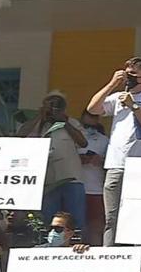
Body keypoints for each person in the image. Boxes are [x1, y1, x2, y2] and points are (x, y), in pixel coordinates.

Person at [86, 57, 141, 272]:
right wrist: (113, 84)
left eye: (133, 74)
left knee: (140, 216)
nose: (128, 76)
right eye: (126, 73)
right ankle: (108, 261)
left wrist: (134, 106)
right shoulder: (117, 97)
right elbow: (92, 108)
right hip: (115, 164)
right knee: (111, 217)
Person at [18, 91, 88, 231]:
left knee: (76, 219)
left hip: (71, 178)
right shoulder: (36, 124)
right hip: (47, 181)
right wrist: (40, 118)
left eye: (57, 107)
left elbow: (83, 143)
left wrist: (64, 122)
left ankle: (76, 245)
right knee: (48, 219)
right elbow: (20, 136)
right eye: (50, 106)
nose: (53, 110)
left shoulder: (72, 123)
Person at [78, 110, 109, 246]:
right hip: (75, 186)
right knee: (76, 227)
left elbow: (110, 165)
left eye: (93, 126)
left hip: (96, 189)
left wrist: (100, 160)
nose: (90, 129)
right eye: (86, 125)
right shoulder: (73, 138)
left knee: (96, 227)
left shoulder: (105, 140)